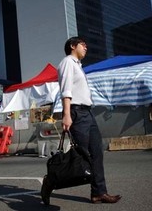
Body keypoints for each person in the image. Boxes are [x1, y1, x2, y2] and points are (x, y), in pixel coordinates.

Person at [41, 36, 122, 205]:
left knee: (97, 152)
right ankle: (50, 181)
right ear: (72, 46)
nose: (86, 47)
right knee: (81, 156)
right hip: (77, 113)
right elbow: (66, 90)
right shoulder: (67, 63)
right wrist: (67, 114)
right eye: (83, 44)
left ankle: (99, 193)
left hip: (87, 113)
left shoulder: (79, 66)